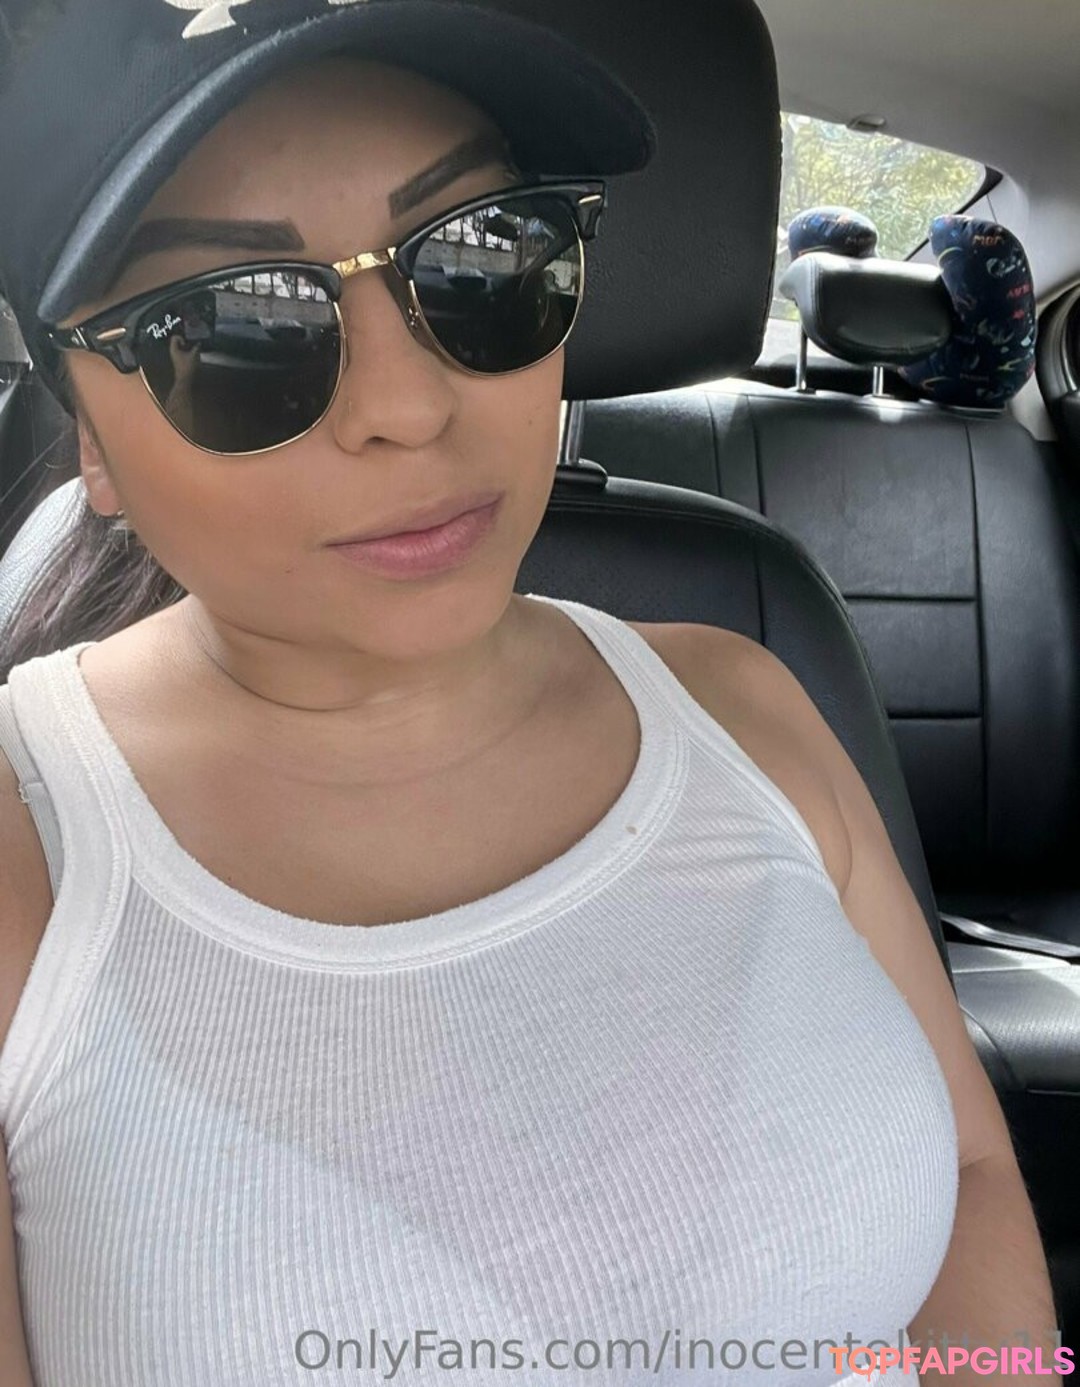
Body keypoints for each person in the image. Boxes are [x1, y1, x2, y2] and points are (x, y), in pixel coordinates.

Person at [0, 2, 1061, 1384]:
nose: (410, 406)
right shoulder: (30, 853)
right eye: (233, 326)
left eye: (483, 257)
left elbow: (969, 1172)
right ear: (88, 439)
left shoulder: (742, 700)